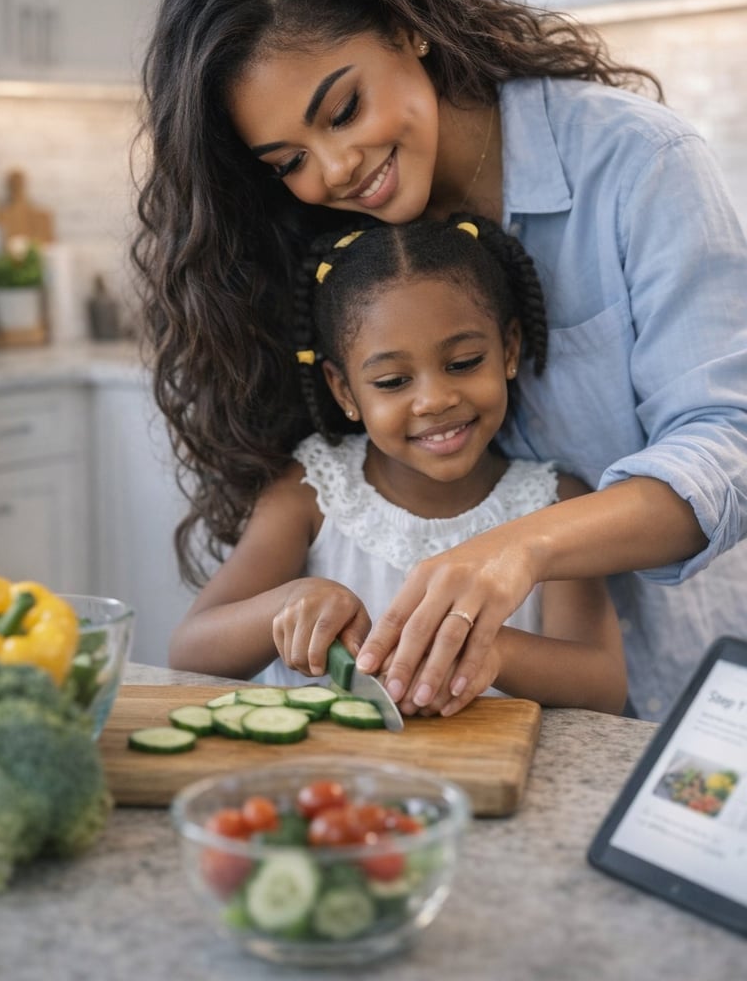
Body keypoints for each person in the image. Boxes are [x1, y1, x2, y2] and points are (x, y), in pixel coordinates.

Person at [133, 0, 747, 723]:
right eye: (288, 160)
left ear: (406, 22)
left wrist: (517, 549)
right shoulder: (325, 247)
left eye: (343, 109)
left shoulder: (636, 165)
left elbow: (730, 442)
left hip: (675, 694)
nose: (334, 170)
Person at [168, 216, 627, 714]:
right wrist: (286, 605)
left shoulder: (555, 505)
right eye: (391, 382)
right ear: (344, 390)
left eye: (464, 362)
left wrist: (490, 650)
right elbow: (188, 651)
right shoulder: (311, 493)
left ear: (509, 350)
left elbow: (603, 687)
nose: (434, 400)